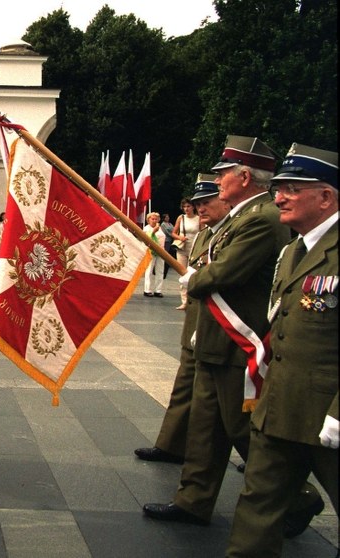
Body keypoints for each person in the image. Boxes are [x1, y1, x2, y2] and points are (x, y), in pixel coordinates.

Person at [144, 135, 326, 530]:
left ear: (244, 176)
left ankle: (297, 499)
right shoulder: (240, 217)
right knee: (205, 430)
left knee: (244, 430)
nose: (219, 179)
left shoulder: (260, 218)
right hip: (215, 339)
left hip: (239, 344)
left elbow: (224, 272)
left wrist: (195, 278)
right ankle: (193, 500)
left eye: (225, 173)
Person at [227, 144, 338, 556]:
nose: (279, 197)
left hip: (328, 414)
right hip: (280, 406)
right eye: (278, 188)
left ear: (325, 197)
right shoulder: (293, 250)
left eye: (292, 188)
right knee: (257, 508)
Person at [135, 175, 229, 464]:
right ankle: (171, 445)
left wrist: (193, 278)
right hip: (197, 323)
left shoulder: (231, 231)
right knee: (183, 389)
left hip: (224, 328)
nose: (200, 208)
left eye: (206, 202)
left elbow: (215, 275)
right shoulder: (205, 233)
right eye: (196, 203)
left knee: (228, 413)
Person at [172, 198, 200, 309]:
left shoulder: (199, 218)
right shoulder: (181, 218)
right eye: (184, 207)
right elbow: (173, 233)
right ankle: (184, 301)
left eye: (188, 206)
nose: (186, 209)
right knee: (183, 273)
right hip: (182, 248)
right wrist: (180, 237)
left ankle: (193, 299)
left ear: (193, 207)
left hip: (194, 249)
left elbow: (203, 233)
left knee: (193, 274)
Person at [142, 212, 165, 297]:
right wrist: (153, 232)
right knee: (149, 271)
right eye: (152, 219)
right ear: (148, 220)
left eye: (156, 219)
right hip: (151, 252)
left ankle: (158, 290)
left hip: (161, 251)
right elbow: (146, 239)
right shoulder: (146, 229)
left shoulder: (160, 228)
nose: (154, 220)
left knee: (160, 271)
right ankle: (147, 290)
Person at [160, 213, 175, 278]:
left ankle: (165, 268)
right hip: (166, 240)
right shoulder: (163, 224)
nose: (167, 218)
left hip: (171, 240)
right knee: (165, 254)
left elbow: (174, 229)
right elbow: (166, 232)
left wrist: (174, 234)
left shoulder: (170, 224)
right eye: (166, 217)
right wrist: (173, 235)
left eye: (168, 217)